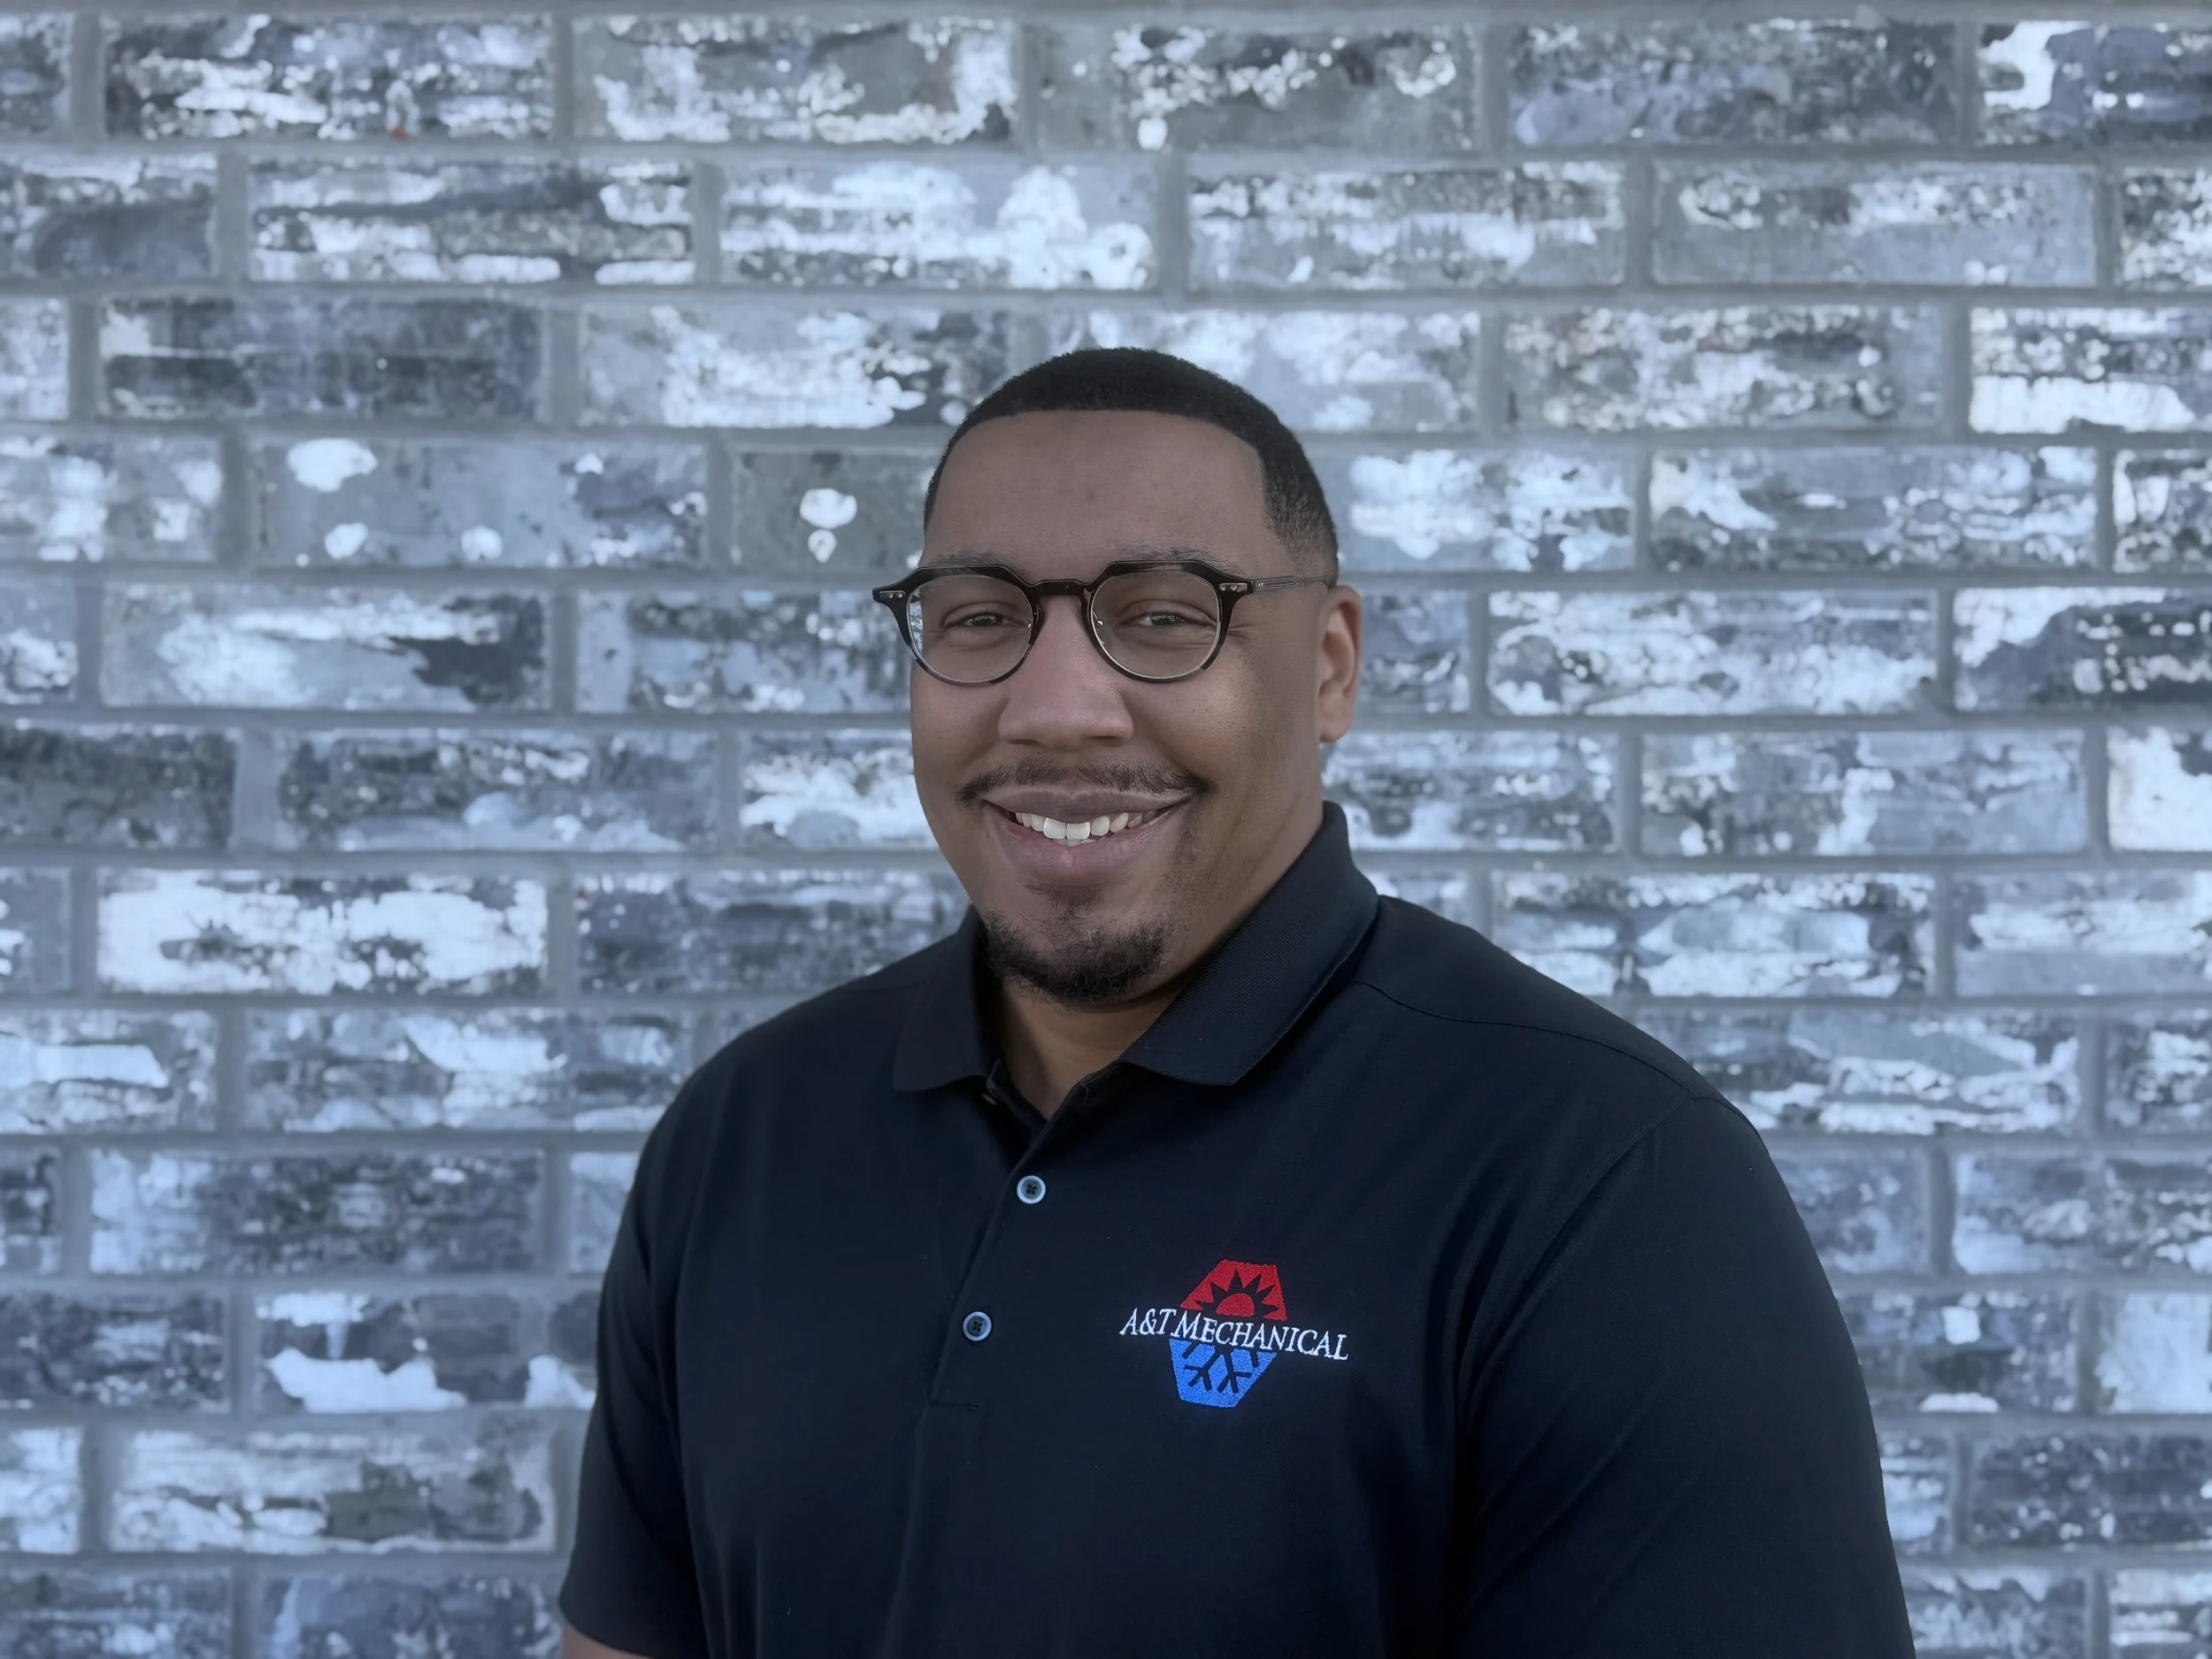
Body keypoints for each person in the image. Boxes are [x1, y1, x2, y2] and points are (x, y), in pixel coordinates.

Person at [559, 349, 1913, 1658]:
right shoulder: (745, 1135)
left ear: (1328, 666)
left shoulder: (1607, 1183)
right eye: (981, 616)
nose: (1059, 710)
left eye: (1162, 613)